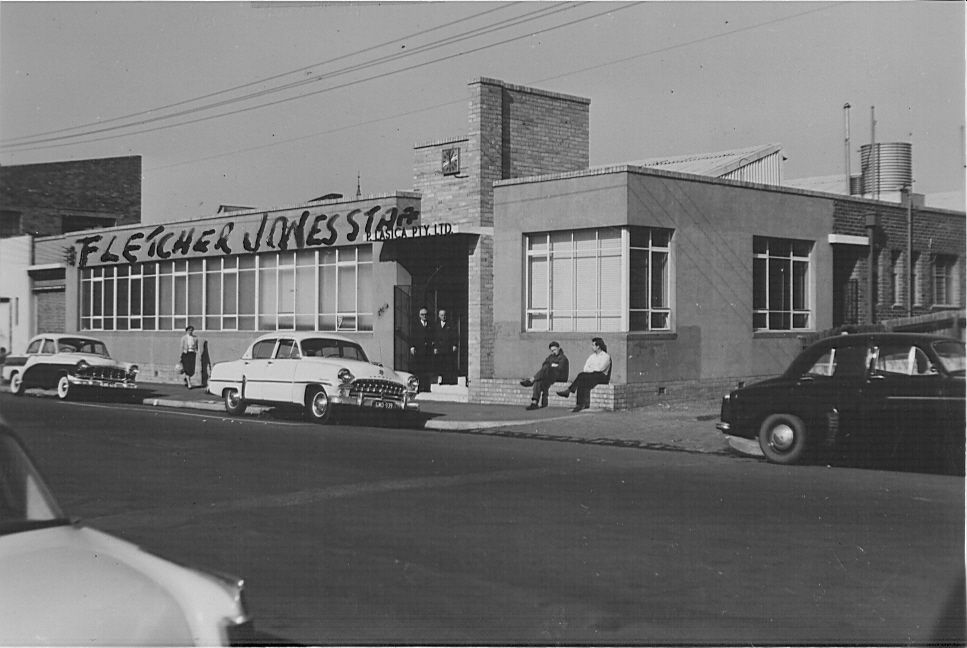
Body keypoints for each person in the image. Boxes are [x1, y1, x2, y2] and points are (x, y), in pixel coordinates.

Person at [557, 337, 611, 412]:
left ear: (598, 346)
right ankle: (579, 405)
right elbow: (585, 368)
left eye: (593, 345)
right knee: (582, 381)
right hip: (591, 376)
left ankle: (569, 391)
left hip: (602, 377)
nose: (592, 347)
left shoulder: (606, 356)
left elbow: (600, 369)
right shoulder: (592, 356)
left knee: (582, 376)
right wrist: (593, 369)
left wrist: (592, 368)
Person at [520, 341, 569, 410]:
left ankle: (531, 380)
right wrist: (552, 365)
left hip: (560, 377)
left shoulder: (563, 358)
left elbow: (560, 368)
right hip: (550, 376)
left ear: (559, 348)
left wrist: (550, 366)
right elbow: (544, 364)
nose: (553, 352)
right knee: (538, 382)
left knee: (546, 368)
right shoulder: (550, 357)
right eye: (552, 350)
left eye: (554, 350)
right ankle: (534, 403)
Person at [409, 306, 435, 392]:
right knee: (419, 370)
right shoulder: (415, 325)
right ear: (419, 315)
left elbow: (433, 336)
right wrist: (412, 347)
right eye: (422, 314)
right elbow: (412, 336)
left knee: (427, 369)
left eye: (426, 314)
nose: (424, 316)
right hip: (419, 351)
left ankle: (427, 387)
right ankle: (419, 387)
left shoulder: (430, 325)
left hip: (428, 351)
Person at [433, 308, 458, 385]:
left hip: (448, 348)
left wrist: (455, 345)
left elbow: (455, 336)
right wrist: (435, 347)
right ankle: (441, 379)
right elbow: (434, 337)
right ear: (439, 316)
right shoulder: (436, 325)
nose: (443, 317)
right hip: (439, 348)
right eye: (441, 315)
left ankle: (448, 380)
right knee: (440, 364)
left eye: (444, 315)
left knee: (448, 364)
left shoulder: (451, 325)